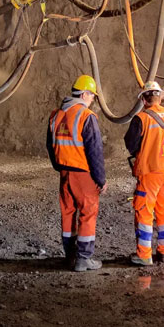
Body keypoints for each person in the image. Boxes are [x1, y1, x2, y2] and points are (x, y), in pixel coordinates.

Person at [125, 80, 164, 266]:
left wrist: (146, 153)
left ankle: (144, 255)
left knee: (144, 211)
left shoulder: (141, 119)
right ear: (160, 97)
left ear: (144, 99)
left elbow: (131, 145)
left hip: (150, 171)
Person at [47, 74, 105, 272]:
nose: (92, 100)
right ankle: (83, 259)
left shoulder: (56, 115)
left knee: (68, 214)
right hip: (83, 174)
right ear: (85, 94)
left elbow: (50, 145)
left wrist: (60, 167)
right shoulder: (86, 116)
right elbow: (94, 150)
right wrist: (100, 179)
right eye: (92, 96)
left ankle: (70, 257)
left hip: (64, 172)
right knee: (88, 214)